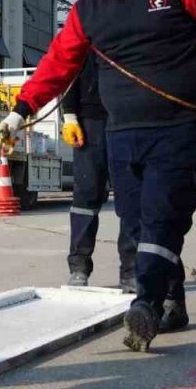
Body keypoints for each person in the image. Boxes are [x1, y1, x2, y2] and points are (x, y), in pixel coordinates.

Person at [0, 0, 196, 352]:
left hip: (183, 125)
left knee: (162, 216)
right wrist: (19, 110)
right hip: (123, 130)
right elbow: (59, 62)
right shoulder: (89, 6)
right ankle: (172, 298)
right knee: (136, 225)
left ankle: (146, 306)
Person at [60, 55, 136, 291]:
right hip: (89, 120)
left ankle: (131, 271)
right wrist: (70, 114)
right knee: (86, 195)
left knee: (130, 197)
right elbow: (68, 69)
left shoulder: (131, 27)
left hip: (127, 117)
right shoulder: (87, 25)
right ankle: (79, 267)